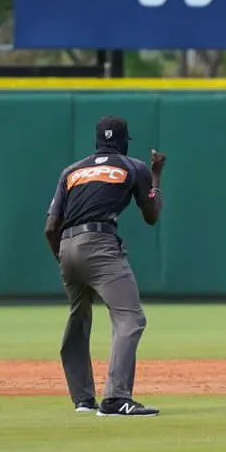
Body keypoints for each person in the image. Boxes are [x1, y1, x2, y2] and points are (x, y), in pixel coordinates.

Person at [44, 116, 166, 418]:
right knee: (130, 318)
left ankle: (83, 400)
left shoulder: (71, 171)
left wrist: (64, 258)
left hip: (67, 246)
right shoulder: (132, 166)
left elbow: (50, 227)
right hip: (100, 244)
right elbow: (151, 215)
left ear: (98, 142)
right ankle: (116, 399)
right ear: (124, 141)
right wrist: (156, 176)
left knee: (78, 317)